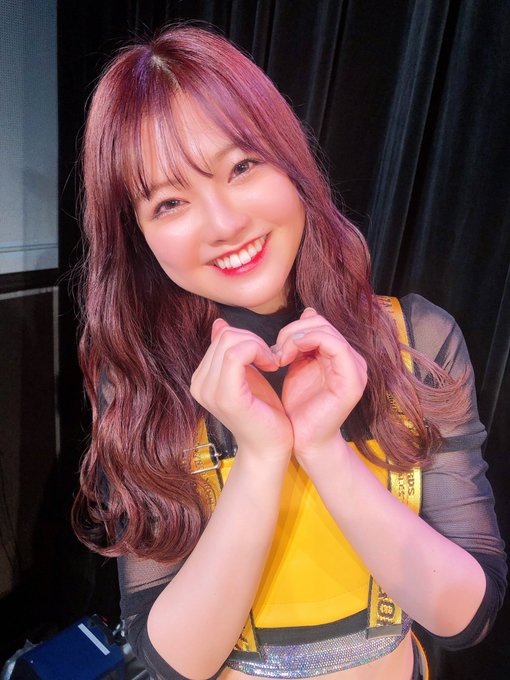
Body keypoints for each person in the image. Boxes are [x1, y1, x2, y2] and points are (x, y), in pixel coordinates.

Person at [72, 24, 506, 680]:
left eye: (242, 167)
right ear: (138, 237)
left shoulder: (416, 340)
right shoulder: (140, 379)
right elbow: (176, 662)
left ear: (289, 159)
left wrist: (325, 450)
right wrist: (261, 458)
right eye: (170, 202)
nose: (224, 224)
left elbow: (466, 615)